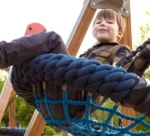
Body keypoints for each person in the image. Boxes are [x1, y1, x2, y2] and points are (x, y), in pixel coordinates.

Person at [1, 9, 150, 119]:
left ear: (120, 33)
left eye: (109, 22)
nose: (102, 24)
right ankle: (14, 59)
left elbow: (128, 75)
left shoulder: (119, 50)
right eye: (98, 22)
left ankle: (3, 53)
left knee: (53, 40)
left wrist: (146, 54)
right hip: (49, 104)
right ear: (93, 31)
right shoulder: (86, 53)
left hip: (75, 103)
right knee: (37, 56)